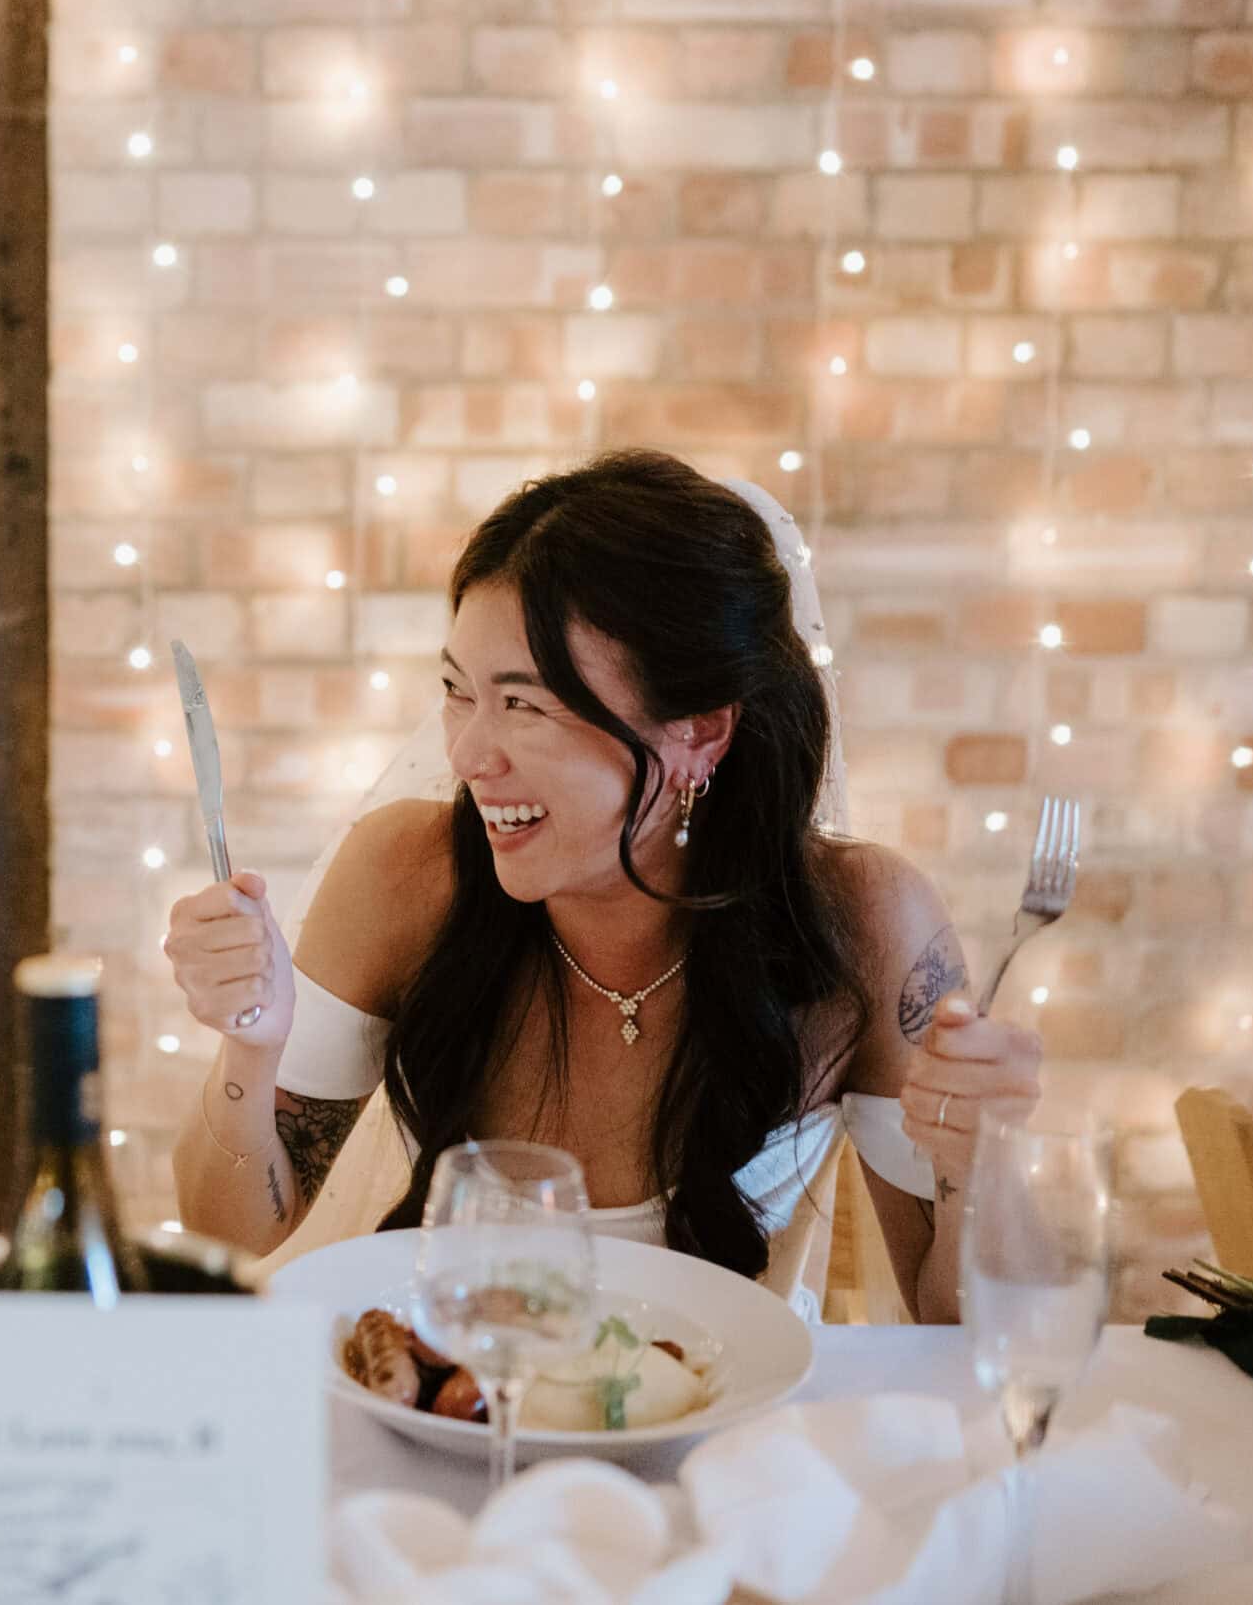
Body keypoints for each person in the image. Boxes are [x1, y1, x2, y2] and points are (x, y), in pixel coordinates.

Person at [165, 451, 1037, 1324]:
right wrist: (252, 1045)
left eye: (526, 704)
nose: (469, 755)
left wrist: (980, 1163)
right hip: (458, 1414)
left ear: (699, 729)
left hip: (720, 1435)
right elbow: (235, 1228)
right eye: (456, 691)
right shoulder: (403, 874)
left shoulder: (867, 923)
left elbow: (958, 1322)